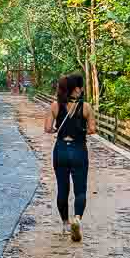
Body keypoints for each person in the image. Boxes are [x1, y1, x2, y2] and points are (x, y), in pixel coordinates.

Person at [44, 74, 96, 241]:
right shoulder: (86, 107)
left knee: (62, 189)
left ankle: (66, 224)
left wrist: (59, 130)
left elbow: (47, 128)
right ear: (75, 88)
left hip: (60, 151)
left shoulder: (55, 106)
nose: (81, 90)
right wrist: (81, 131)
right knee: (80, 190)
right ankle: (77, 219)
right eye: (80, 87)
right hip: (79, 149)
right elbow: (92, 129)